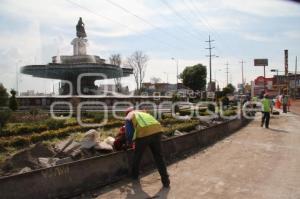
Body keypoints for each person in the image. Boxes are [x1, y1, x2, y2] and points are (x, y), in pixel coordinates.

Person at [124, 107, 170, 188]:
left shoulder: (129, 115)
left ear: (127, 112)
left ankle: (134, 176)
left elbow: (129, 133)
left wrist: (129, 142)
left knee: (137, 156)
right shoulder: (143, 112)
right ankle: (166, 181)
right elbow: (151, 122)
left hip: (143, 133)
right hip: (157, 130)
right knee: (159, 157)